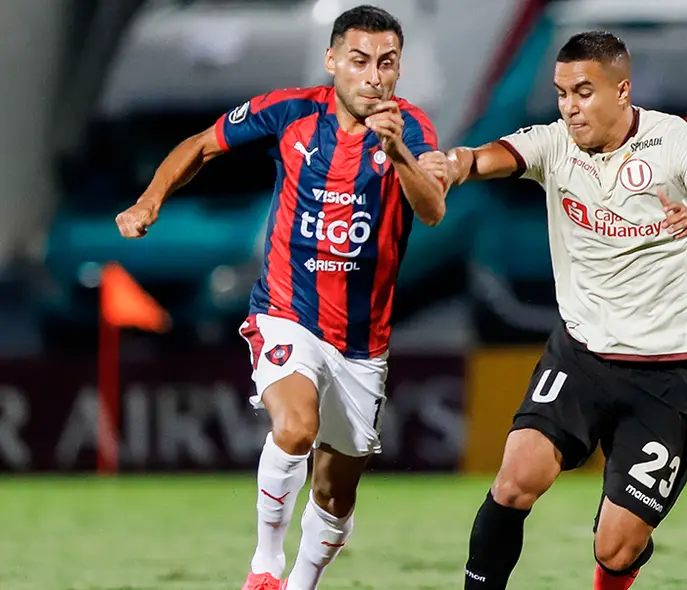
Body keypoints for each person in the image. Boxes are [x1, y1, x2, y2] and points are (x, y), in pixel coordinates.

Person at [115, 6, 444, 590]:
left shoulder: (410, 129)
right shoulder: (290, 111)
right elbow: (201, 145)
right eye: (360, 61)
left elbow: (432, 209)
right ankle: (265, 564)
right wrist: (149, 201)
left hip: (363, 342)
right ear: (332, 61)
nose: (374, 76)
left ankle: (300, 583)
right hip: (287, 313)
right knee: (294, 428)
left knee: (336, 490)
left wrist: (397, 155)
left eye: (386, 63)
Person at [420, 31, 687, 590]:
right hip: (581, 357)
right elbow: (485, 157)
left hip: (666, 376)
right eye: (561, 93)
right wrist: (452, 165)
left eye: (583, 92)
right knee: (516, 478)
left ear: (622, 91)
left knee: (616, 547)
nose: (569, 107)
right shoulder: (554, 144)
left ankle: (618, 563)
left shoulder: (678, 143)